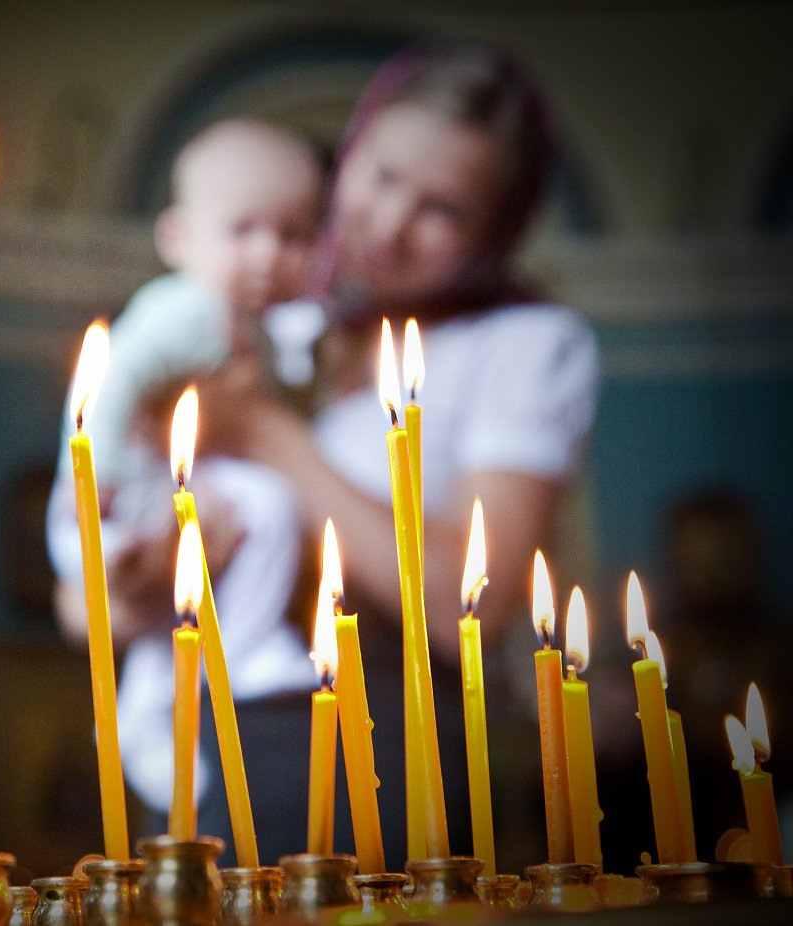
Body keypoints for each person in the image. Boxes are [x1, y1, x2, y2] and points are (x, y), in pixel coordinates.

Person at [51, 39, 601, 869]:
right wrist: (129, 585)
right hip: (184, 732)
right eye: (381, 177)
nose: (389, 224)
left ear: (499, 230)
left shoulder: (524, 346)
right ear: (349, 156)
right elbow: (82, 603)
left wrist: (271, 436)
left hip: (374, 748)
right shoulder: (275, 320)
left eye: (443, 208)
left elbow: (470, 609)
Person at [45, 117, 328, 827]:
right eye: (244, 230)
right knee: (263, 506)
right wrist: (101, 478)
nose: (269, 252)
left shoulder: (254, 324)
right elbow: (112, 385)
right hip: (113, 508)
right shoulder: (180, 311)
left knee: (254, 517)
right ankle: (236, 656)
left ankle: (160, 706)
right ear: (179, 239)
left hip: (168, 508)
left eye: (293, 233)